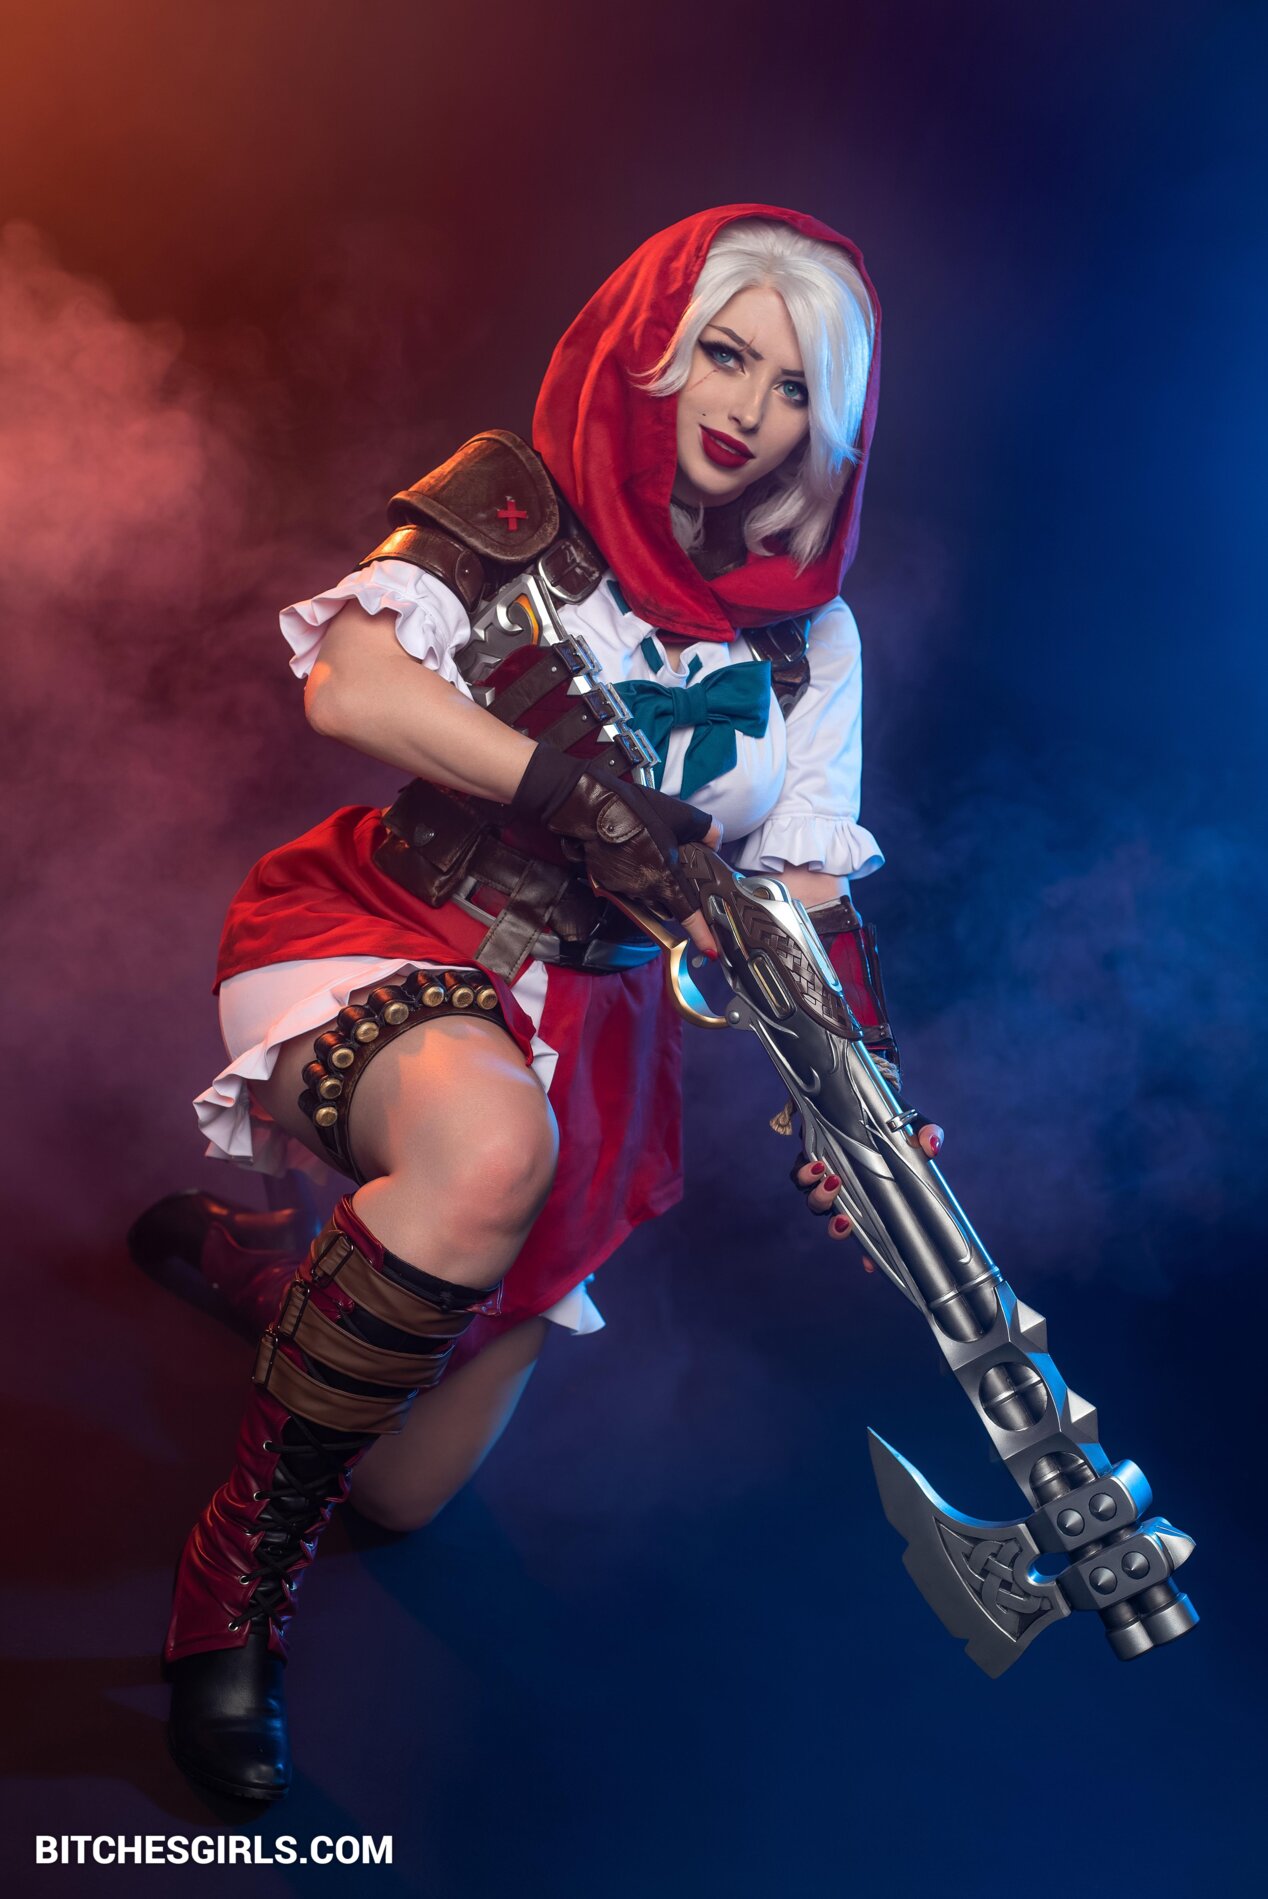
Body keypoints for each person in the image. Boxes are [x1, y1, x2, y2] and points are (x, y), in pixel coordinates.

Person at [138, 204, 942, 1804]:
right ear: (658, 346)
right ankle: (227, 1589)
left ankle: (270, 1280)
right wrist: (576, 794)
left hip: (596, 1039)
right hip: (393, 929)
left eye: (793, 389)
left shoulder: (810, 643)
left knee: (404, 1497)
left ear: (829, 426)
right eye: (725, 354)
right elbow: (350, 681)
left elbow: (804, 896)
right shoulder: (514, 510)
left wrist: (864, 1109)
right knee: (487, 1150)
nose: (746, 408)